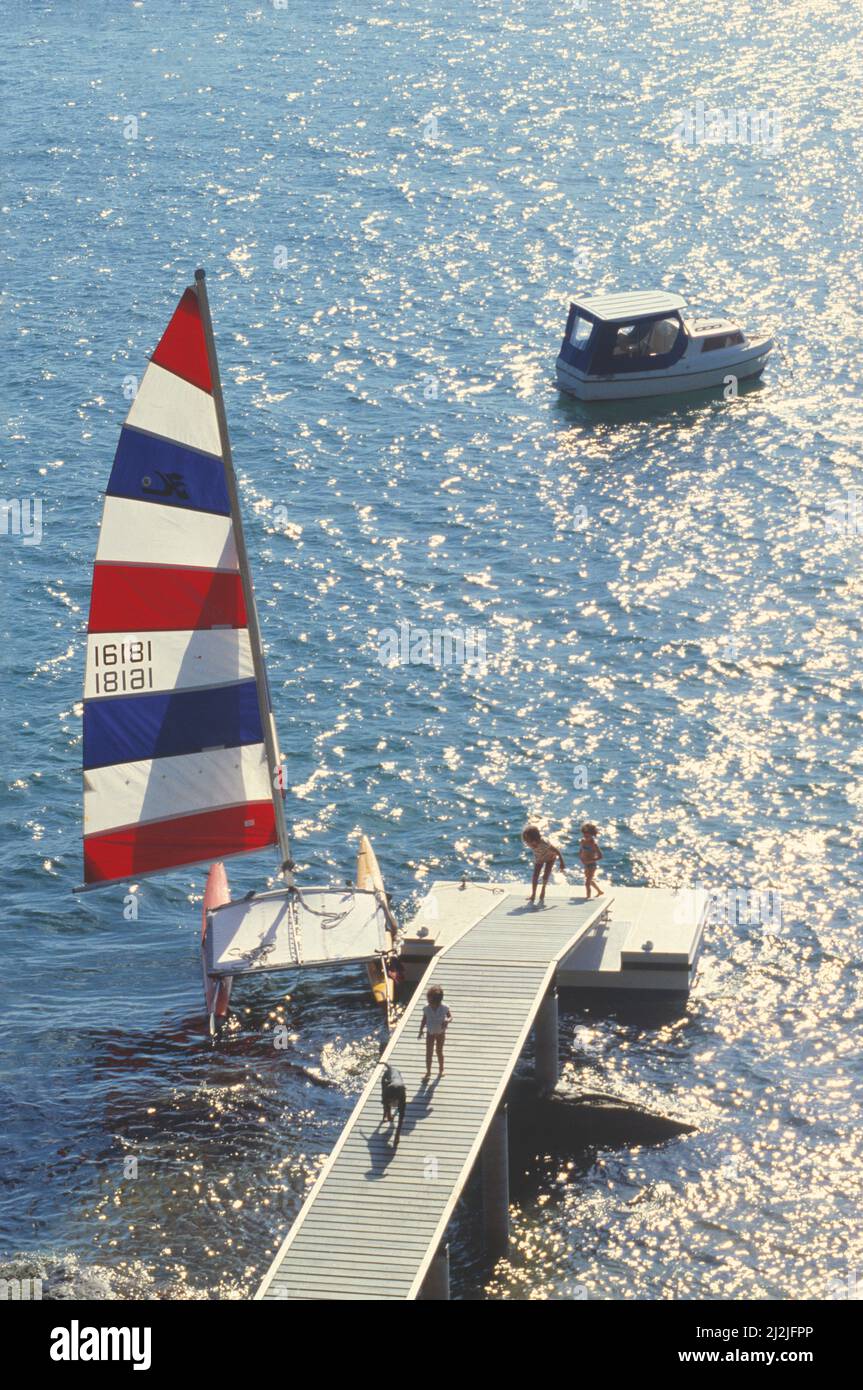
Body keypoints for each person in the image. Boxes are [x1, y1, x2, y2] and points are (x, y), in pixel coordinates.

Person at [522, 825, 565, 906]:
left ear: (535, 839)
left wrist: (562, 863)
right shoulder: (529, 843)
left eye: (529, 841)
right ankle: (533, 895)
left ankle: (543, 889)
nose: (528, 843)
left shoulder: (544, 843)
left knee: (545, 875)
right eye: (526, 841)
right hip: (539, 858)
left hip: (550, 857)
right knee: (535, 876)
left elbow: (557, 851)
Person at [418, 985, 451, 1080]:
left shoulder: (444, 1008)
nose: (428, 1002)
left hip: (441, 1033)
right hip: (430, 1032)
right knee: (429, 1052)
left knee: (439, 1051)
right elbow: (424, 1019)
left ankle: (441, 1070)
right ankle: (428, 1072)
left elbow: (450, 1017)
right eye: (428, 1000)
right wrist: (421, 1030)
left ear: (437, 1002)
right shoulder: (426, 1008)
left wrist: (447, 1021)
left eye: (430, 1001)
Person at [579, 822, 604, 898]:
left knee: (587, 883)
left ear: (592, 834)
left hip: (592, 865)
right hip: (585, 864)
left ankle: (588, 897)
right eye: (584, 835)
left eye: (587, 835)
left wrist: (591, 861)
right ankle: (599, 891)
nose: (585, 837)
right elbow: (581, 850)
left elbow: (600, 856)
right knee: (589, 880)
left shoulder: (594, 844)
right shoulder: (582, 841)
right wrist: (581, 858)